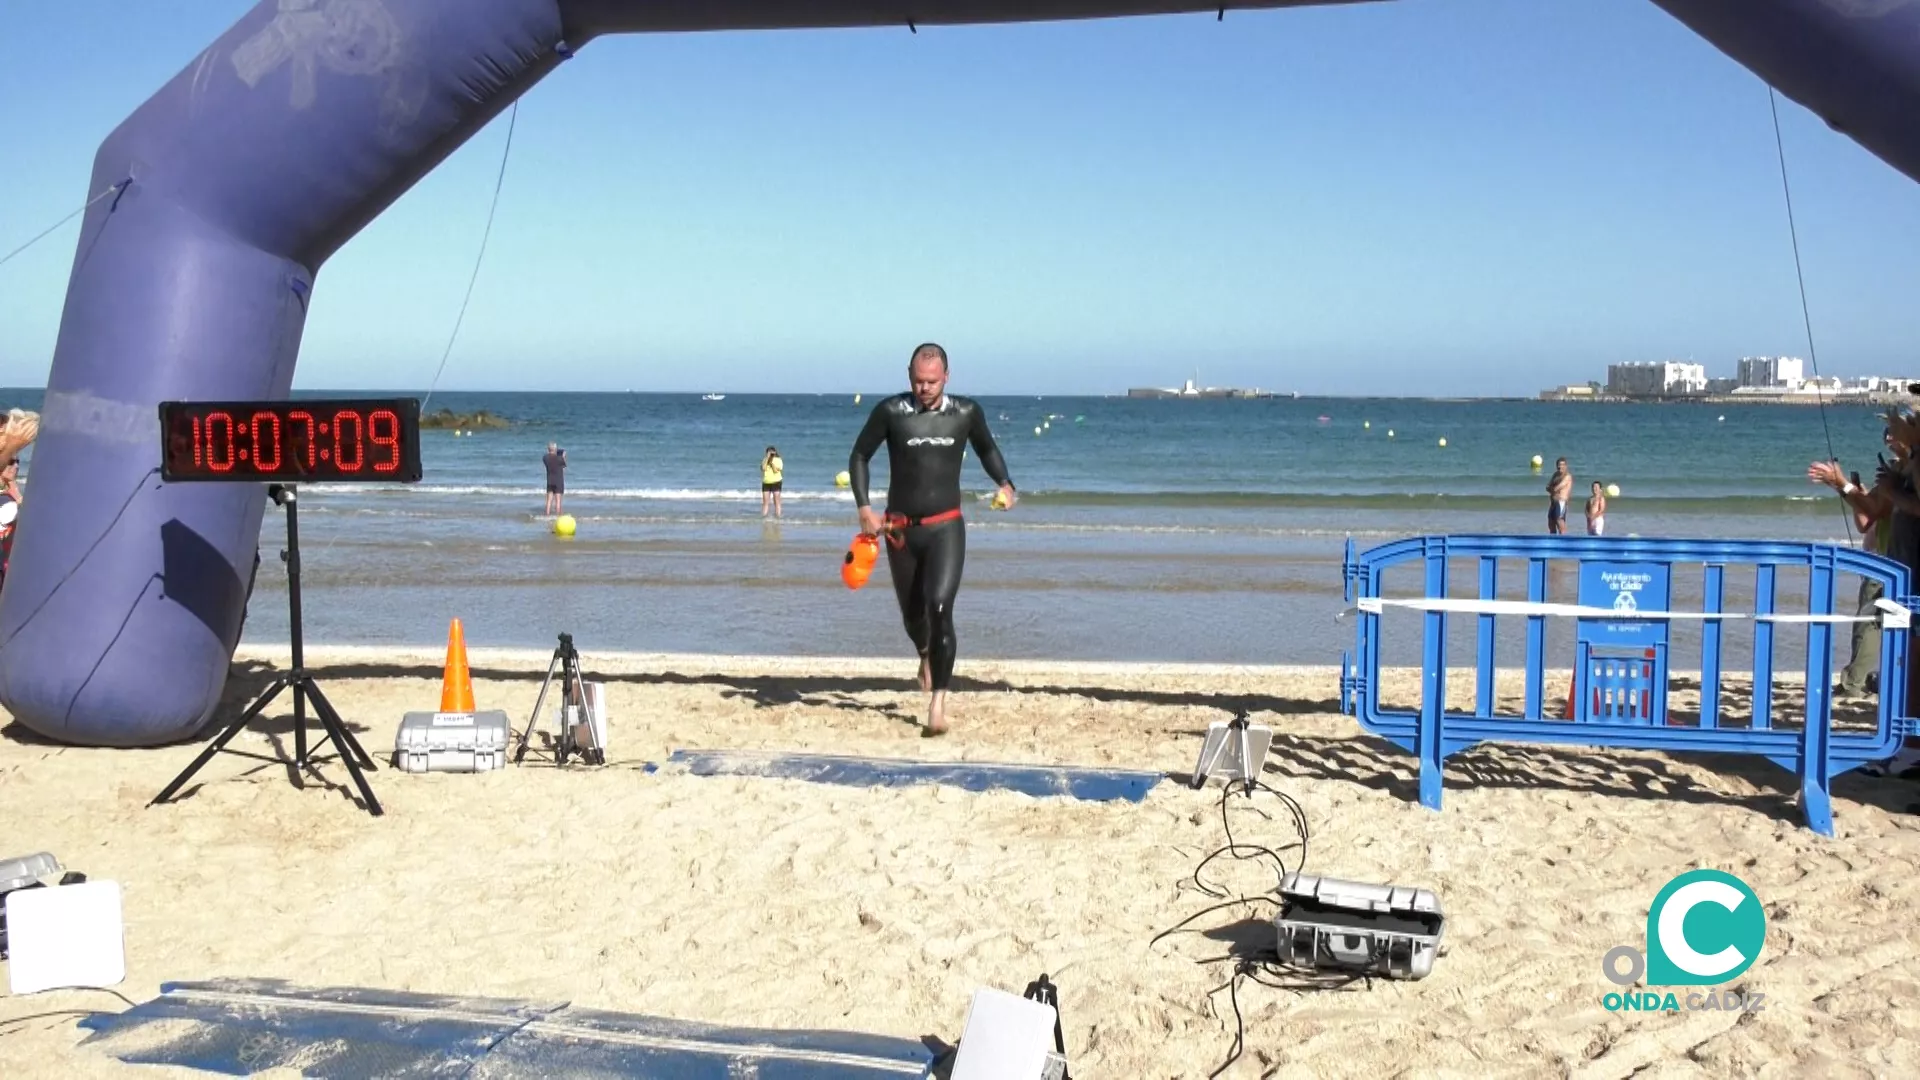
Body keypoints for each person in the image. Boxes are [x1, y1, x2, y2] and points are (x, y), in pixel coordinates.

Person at [849, 342, 1016, 736]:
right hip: (899, 530)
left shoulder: (966, 413)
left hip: (946, 527)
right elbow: (859, 456)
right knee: (913, 618)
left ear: (947, 377)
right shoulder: (890, 412)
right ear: (909, 374)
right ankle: (925, 653)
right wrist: (864, 508)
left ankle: (938, 704)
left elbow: (987, 449)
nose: (925, 388)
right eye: (919, 381)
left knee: (940, 607)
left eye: (932, 381)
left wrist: (1005, 484)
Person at [1547, 458, 1573, 534]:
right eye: (1558, 465)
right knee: (1551, 522)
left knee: (1559, 521)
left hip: (1561, 501)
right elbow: (1548, 487)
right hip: (1553, 502)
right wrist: (1552, 489)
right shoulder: (1555, 475)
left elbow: (1556, 488)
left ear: (1566, 466)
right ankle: (1553, 541)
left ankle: (1563, 540)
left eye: (1562, 465)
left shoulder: (1567, 476)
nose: (1560, 467)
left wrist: (1552, 489)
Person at [543, 442, 567, 516]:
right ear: (555, 449)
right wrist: (563, 456)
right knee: (558, 500)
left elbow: (551, 457)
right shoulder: (559, 458)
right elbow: (564, 466)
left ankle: (547, 515)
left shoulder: (545, 458)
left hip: (550, 480)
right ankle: (558, 515)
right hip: (558, 481)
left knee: (549, 500)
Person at [761, 446, 784, 518]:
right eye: (769, 453)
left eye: (772, 453)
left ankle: (778, 516)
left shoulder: (778, 460)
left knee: (776, 501)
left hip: (776, 481)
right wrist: (767, 459)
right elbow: (763, 468)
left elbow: (776, 470)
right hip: (766, 482)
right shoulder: (765, 460)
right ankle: (764, 516)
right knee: (765, 502)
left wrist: (771, 463)